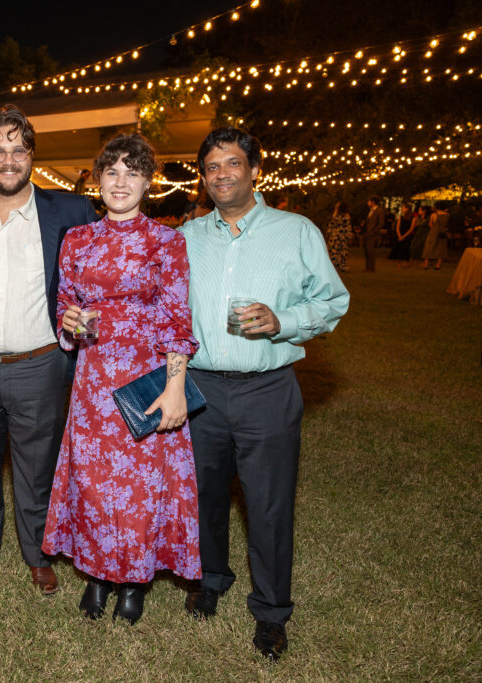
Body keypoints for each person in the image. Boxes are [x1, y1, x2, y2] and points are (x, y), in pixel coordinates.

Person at [179, 127, 350, 661]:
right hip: (201, 387)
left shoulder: (295, 231)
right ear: (203, 177)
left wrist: (285, 320)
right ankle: (211, 578)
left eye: (232, 163)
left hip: (267, 389)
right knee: (203, 492)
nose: (221, 175)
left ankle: (272, 610)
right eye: (211, 167)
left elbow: (333, 300)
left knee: (269, 503)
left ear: (255, 169)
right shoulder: (187, 235)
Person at [0, 104, 97, 595]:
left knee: (36, 468)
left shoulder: (69, 211)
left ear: (31, 155)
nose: (8, 160)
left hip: (40, 364)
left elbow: (96, 277)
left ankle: (39, 554)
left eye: (18, 149)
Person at [42, 134, 201, 624]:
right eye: (111, 171)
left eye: (132, 172)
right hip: (92, 381)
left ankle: (133, 582)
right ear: (97, 179)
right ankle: (95, 574)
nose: (120, 182)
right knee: (92, 484)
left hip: (145, 379)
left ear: (148, 182)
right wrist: (67, 321)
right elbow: (65, 303)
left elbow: (177, 319)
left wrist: (175, 388)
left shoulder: (167, 242)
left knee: (140, 487)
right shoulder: (78, 239)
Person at [325, 201, 353, 272]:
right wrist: (349, 237)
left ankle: (336, 266)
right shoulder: (345, 216)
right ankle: (341, 266)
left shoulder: (337, 215)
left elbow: (331, 226)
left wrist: (328, 234)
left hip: (335, 236)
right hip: (341, 237)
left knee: (335, 251)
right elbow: (347, 228)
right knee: (341, 251)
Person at [421, 201, 450, 269]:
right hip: (442, 233)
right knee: (441, 248)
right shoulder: (447, 215)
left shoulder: (434, 215)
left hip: (433, 232)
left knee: (428, 247)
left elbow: (430, 224)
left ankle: (426, 264)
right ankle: (438, 265)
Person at [364, 195, 385, 272]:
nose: (368, 203)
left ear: (373, 202)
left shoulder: (379, 211)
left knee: (370, 251)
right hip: (367, 233)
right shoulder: (370, 211)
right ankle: (367, 267)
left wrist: (374, 231)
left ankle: (371, 268)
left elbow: (381, 223)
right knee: (366, 251)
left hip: (373, 234)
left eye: (369, 201)